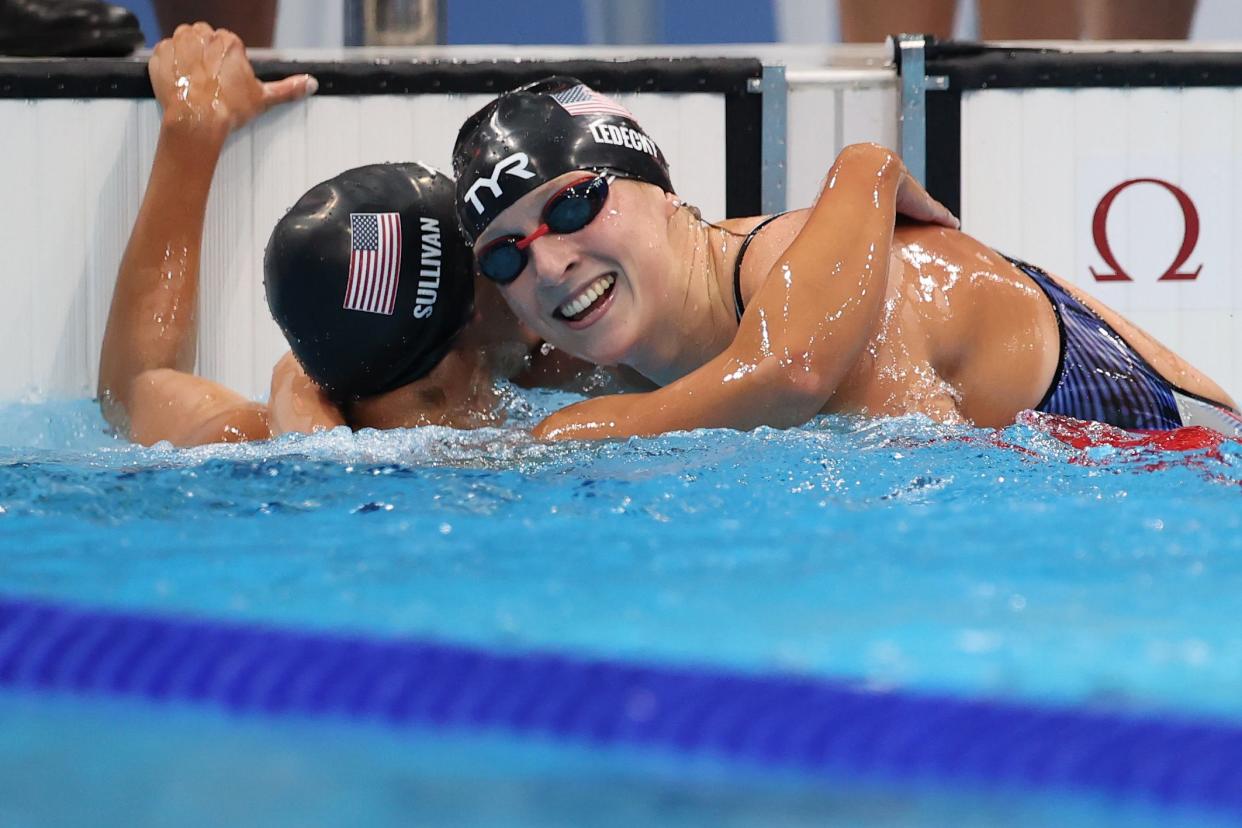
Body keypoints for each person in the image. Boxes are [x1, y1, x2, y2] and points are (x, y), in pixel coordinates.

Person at [451, 77, 1242, 441]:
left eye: (575, 204)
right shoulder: (590, 352)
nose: (549, 265)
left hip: (1187, 463)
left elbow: (802, 376)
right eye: (506, 258)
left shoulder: (816, 284)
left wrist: (588, 432)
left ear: (662, 190)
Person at [98, 24, 612, 447]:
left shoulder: (260, 441)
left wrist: (193, 128)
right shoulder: (547, 443)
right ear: (470, 318)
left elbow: (135, 388)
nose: (537, 260)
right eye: (498, 254)